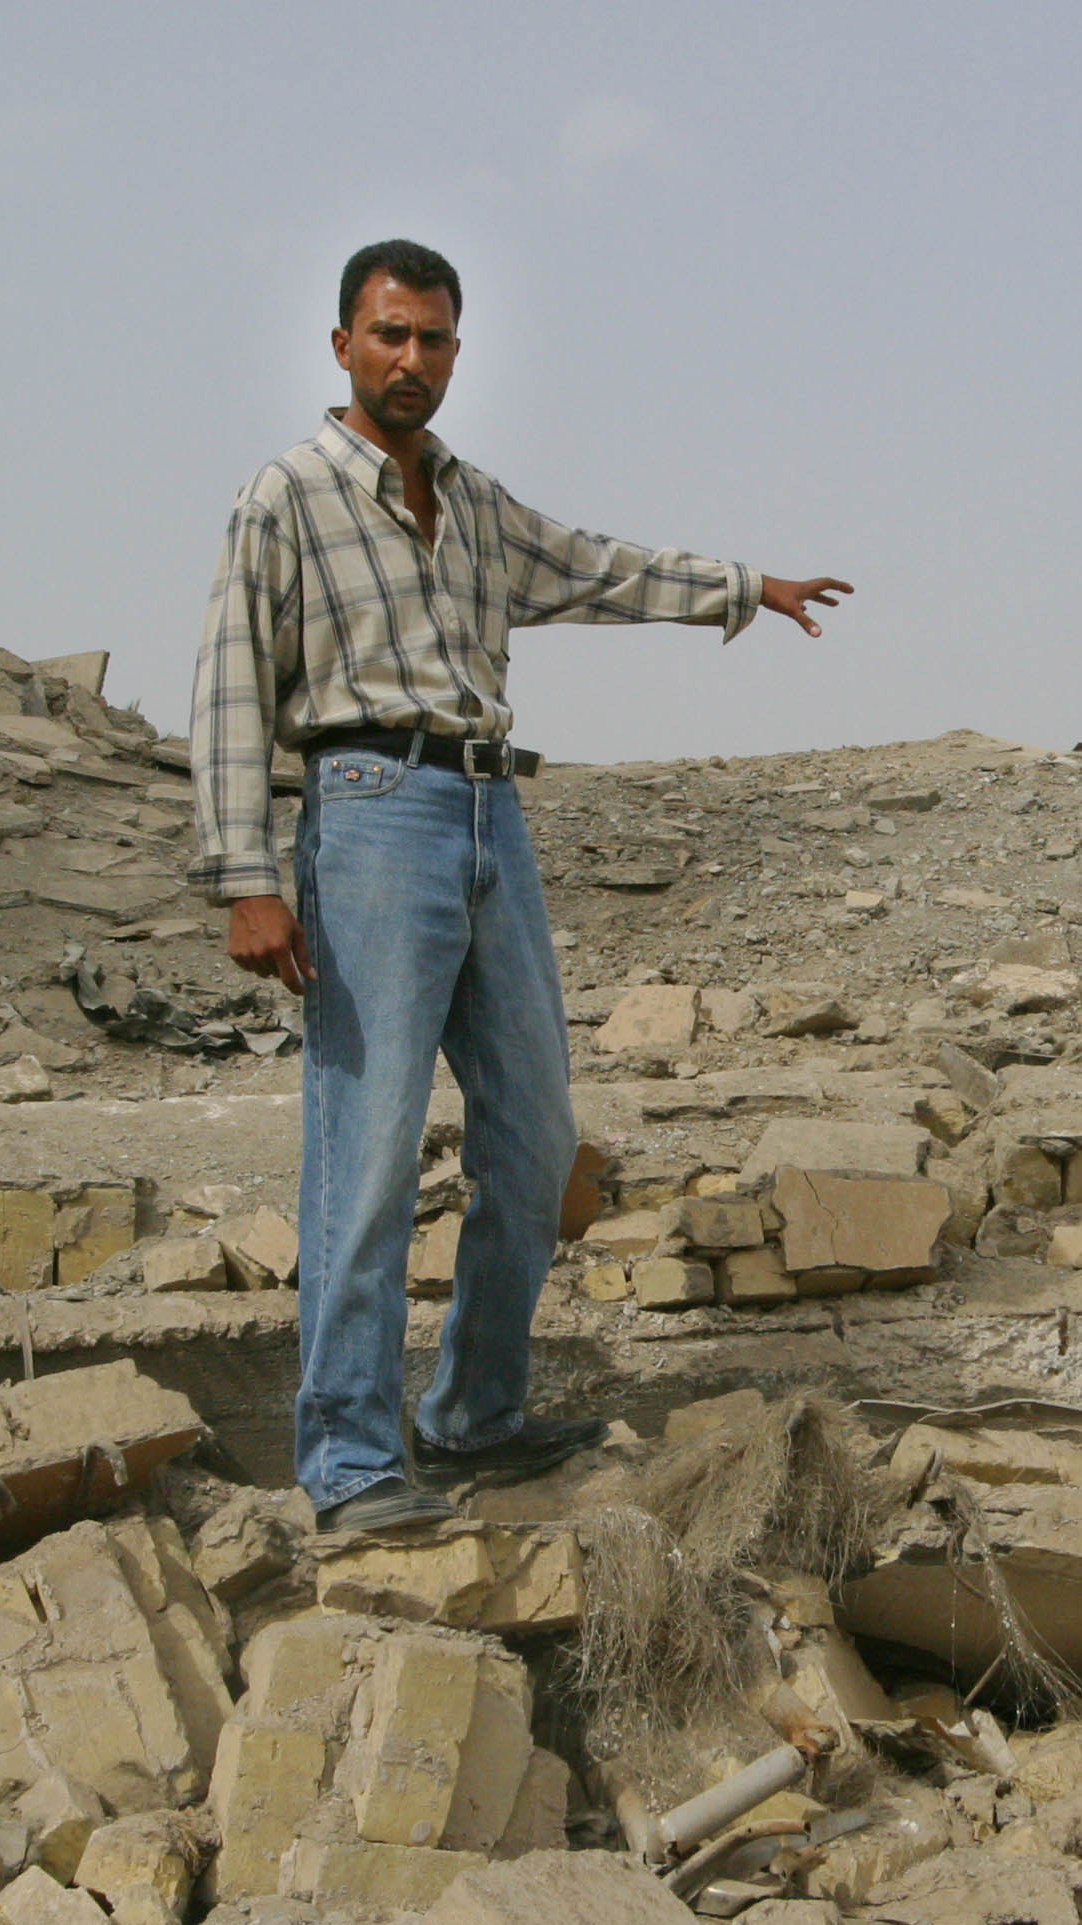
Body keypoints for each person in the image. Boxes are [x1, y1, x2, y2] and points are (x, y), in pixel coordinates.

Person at [187, 239, 850, 1535]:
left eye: (434, 340)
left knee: (538, 1140)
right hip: (369, 814)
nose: (412, 361)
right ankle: (351, 1466)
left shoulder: (473, 505)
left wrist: (745, 589)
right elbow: (227, 687)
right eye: (388, 336)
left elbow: (598, 568)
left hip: (493, 812)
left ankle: (474, 1417)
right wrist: (244, 878)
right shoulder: (290, 498)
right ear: (341, 347)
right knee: (367, 1154)